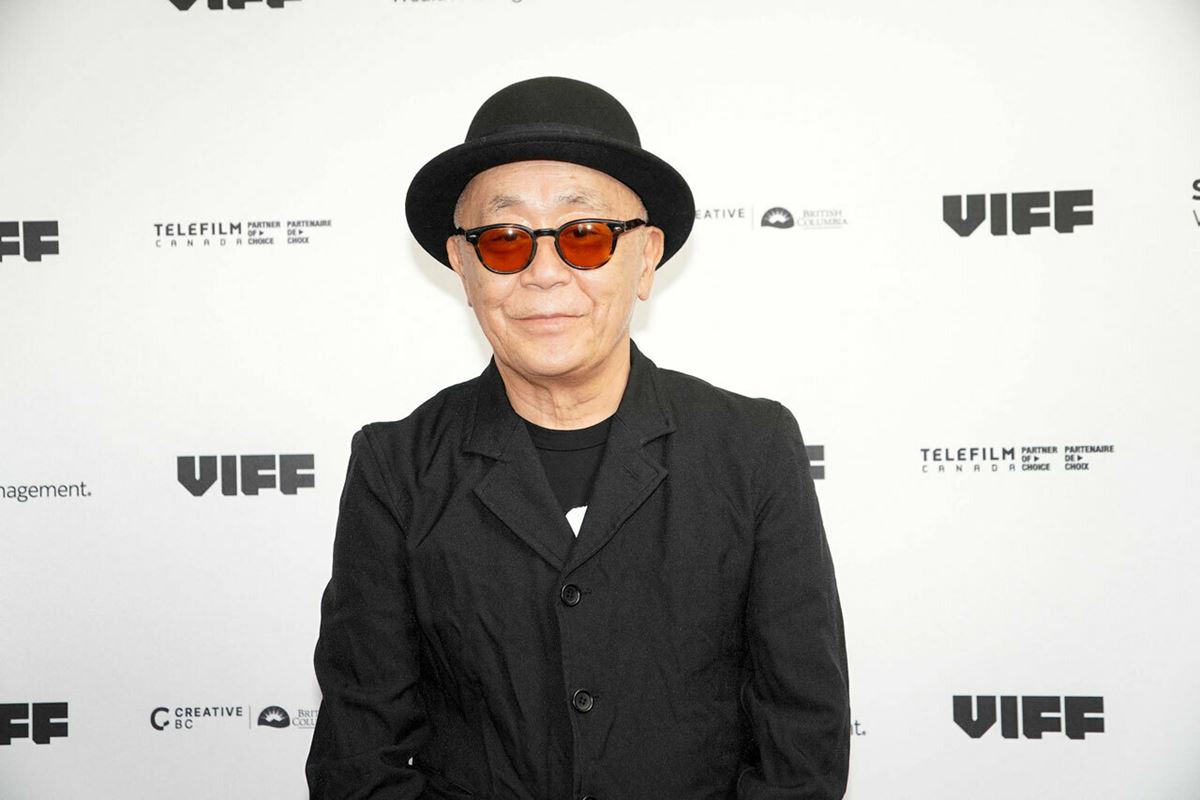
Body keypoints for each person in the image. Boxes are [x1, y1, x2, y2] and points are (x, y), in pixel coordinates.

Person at [306, 76, 850, 800]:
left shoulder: (751, 448)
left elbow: (802, 745)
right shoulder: (397, 467)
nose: (543, 274)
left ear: (646, 258)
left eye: (584, 236)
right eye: (503, 242)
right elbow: (359, 755)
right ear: (463, 267)